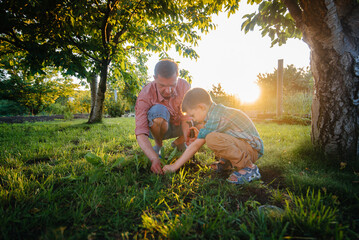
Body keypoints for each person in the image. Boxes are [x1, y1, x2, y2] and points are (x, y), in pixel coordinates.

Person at [163, 88, 264, 184]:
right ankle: (226, 164)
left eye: (193, 115)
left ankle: (249, 167)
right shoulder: (216, 112)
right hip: (246, 146)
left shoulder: (216, 116)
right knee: (213, 137)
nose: (193, 119)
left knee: (211, 139)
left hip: (252, 150)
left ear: (201, 107)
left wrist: (174, 166)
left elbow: (196, 145)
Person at [135, 59, 191, 175]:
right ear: (155, 78)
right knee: (158, 111)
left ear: (177, 77)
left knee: (202, 118)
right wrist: (154, 158)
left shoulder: (184, 86)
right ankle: (159, 147)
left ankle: (180, 143)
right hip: (157, 127)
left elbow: (187, 117)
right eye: (162, 85)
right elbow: (140, 132)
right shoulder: (145, 94)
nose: (168, 90)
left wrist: (188, 140)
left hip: (178, 126)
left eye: (172, 85)